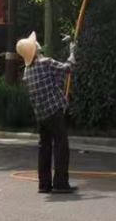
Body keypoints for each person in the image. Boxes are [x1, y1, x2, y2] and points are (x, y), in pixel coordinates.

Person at [17, 31, 77, 194]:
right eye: (37, 46)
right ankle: (60, 183)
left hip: (41, 116)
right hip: (54, 113)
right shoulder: (46, 63)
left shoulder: (27, 72)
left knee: (44, 148)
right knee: (61, 146)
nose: (39, 47)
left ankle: (44, 184)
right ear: (35, 51)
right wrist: (72, 51)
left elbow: (52, 81)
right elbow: (67, 68)